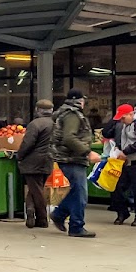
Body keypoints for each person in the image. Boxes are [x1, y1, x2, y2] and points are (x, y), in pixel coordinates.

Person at [50, 89, 102, 238]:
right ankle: (76, 226)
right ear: (79, 101)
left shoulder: (66, 113)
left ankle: (59, 215)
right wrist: (88, 152)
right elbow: (69, 138)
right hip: (72, 159)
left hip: (69, 158)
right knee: (80, 195)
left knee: (74, 193)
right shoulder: (72, 115)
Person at [15, 99, 55, 229]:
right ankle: (31, 210)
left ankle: (42, 218)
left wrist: (19, 155)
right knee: (36, 188)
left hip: (32, 161)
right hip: (48, 159)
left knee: (35, 189)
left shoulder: (35, 124)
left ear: (38, 110)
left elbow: (28, 143)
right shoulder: (55, 124)